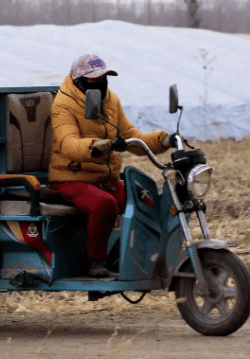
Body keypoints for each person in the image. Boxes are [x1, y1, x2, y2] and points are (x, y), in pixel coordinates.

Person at [48, 54, 173, 277]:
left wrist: (162, 140)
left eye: (104, 79)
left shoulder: (110, 100)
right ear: (78, 82)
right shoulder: (63, 105)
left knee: (148, 199)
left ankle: (152, 256)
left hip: (104, 179)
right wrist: (97, 146)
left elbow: (131, 136)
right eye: (93, 81)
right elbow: (68, 145)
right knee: (104, 204)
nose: (100, 84)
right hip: (71, 178)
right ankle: (96, 262)